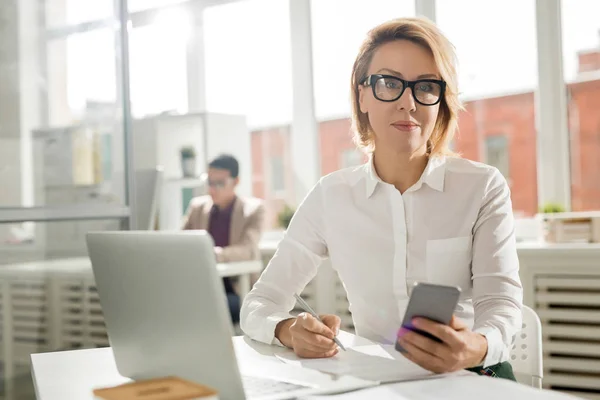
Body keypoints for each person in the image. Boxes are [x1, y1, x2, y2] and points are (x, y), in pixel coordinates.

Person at [240, 17, 522, 380]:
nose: (408, 102)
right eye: (389, 83)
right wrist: (286, 330)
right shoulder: (331, 196)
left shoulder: (482, 187)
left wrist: (475, 346)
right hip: (380, 380)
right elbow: (259, 303)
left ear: (441, 101)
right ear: (362, 94)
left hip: (475, 376)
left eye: (425, 86)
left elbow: (501, 306)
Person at [182, 154, 265, 324]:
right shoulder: (197, 208)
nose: (212, 189)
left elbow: (247, 250)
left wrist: (214, 254)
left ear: (235, 181)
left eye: (220, 183)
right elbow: (180, 243)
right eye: (210, 182)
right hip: (199, 286)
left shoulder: (253, 210)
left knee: (202, 307)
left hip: (235, 290)